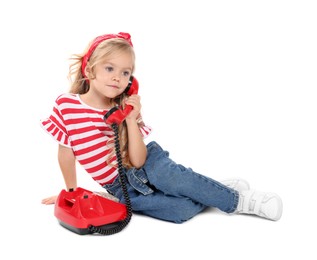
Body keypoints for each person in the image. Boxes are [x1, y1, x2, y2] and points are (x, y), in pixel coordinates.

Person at [40, 32, 283, 223]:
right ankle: (212, 190)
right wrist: (71, 192)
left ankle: (242, 201)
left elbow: (137, 160)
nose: (118, 77)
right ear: (89, 69)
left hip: (147, 166)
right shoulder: (66, 105)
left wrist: (130, 119)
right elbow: (66, 151)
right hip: (119, 188)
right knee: (180, 211)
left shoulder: (123, 107)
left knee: (172, 179)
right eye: (110, 68)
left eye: (126, 73)